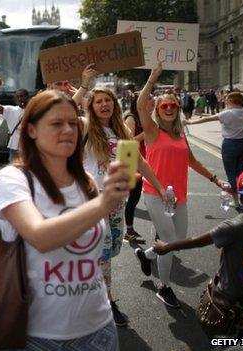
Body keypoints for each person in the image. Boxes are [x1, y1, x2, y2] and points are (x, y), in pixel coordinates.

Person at [0, 89, 129, 349]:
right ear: (31, 130)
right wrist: (103, 204)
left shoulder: (85, 181)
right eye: (56, 123)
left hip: (100, 328)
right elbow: (40, 236)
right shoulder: (13, 179)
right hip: (41, 335)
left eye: (73, 123)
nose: (68, 130)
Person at [134, 62, 230, 308]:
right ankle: (164, 287)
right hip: (155, 193)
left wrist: (216, 179)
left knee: (179, 238)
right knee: (167, 242)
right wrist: (153, 78)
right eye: (163, 105)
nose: (168, 108)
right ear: (157, 108)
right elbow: (139, 104)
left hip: (179, 196)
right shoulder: (152, 131)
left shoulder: (180, 134)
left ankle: (145, 255)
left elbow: (193, 161)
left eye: (172, 105)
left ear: (177, 109)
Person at [74, 74, 165, 327]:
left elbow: (136, 161)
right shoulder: (83, 126)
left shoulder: (121, 130)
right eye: (98, 101)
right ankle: (107, 302)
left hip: (117, 202)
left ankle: (85, 290)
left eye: (108, 100)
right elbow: (64, 112)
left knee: (110, 250)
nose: (104, 104)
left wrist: (158, 187)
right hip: (93, 201)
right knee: (102, 253)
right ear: (91, 107)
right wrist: (83, 86)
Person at [152, 168, 243, 338]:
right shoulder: (237, 227)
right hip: (231, 301)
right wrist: (168, 247)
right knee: (228, 339)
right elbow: (199, 240)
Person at [185, 92, 243, 207]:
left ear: (231, 101)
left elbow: (208, 119)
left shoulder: (226, 113)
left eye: (226, 99)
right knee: (241, 172)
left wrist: (190, 122)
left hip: (229, 145)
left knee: (230, 173)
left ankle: (235, 201)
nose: (225, 101)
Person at [123, 93, 153, 243]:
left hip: (143, 160)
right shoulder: (131, 118)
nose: (152, 101)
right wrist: (146, 132)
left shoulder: (146, 117)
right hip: (131, 162)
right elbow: (129, 141)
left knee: (140, 197)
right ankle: (129, 230)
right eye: (150, 99)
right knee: (132, 199)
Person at [0, 78, 29, 162]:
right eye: (17, 97)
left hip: (29, 149)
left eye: (21, 96)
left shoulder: (35, 110)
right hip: (15, 148)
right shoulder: (11, 110)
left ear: (27, 97)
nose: (19, 99)